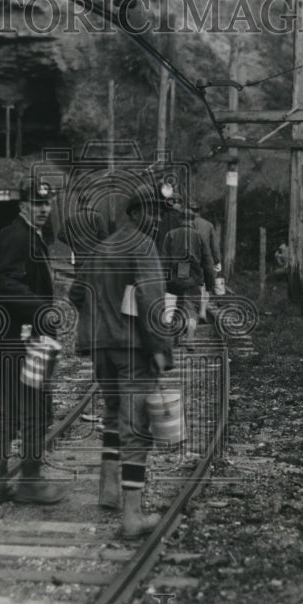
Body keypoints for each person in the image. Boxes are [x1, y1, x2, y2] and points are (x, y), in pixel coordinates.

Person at [69, 184, 174, 538]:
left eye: (161, 212)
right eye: (151, 211)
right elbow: (151, 299)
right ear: (133, 213)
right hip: (130, 350)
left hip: (100, 348)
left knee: (113, 416)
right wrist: (160, 349)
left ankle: (109, 491)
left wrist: (102, 316)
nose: (157, 218)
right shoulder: (142, 245)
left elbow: (75, 292)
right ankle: (132, 517)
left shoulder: (101, 246)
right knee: (137, 428)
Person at [0, 178, 67, 505]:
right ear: (22, 205)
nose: (43, 209)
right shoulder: (17, 237)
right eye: (36, 203)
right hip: (19, 340)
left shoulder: (26, 236)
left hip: (11, 339)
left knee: (7, 410)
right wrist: (41, 308)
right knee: (33, 410)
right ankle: (29, 481)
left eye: (46, 203)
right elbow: (4, 283)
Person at [161, 205, 216, 342]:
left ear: (180, 219)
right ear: (192, 220)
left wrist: (164, 281)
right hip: (194, 278)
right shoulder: (199, 237)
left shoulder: (170, 235)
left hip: (175, 278)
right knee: (191, 308)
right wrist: (210, 284)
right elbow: (208, 263)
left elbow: (164, 261)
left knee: (178, 307)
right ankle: (190, 336)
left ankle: (177, 336)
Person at [58, 188, 110, 269]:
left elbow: (61, 235)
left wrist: (74, 243)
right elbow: (105, 237)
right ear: (90, 202)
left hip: (79, 258)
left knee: (80, 280)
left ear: (79, 203)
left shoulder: (71, 218)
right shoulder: (97, 217)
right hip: (94, 259)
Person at [188, 200, 221, 318]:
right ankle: (202, 312)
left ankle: (189, 314)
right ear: (200, 211)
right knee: (205, 287)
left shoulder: (184, 223)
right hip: (204, 259)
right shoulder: (209, 225)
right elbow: (214, 246)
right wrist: (217, 260)